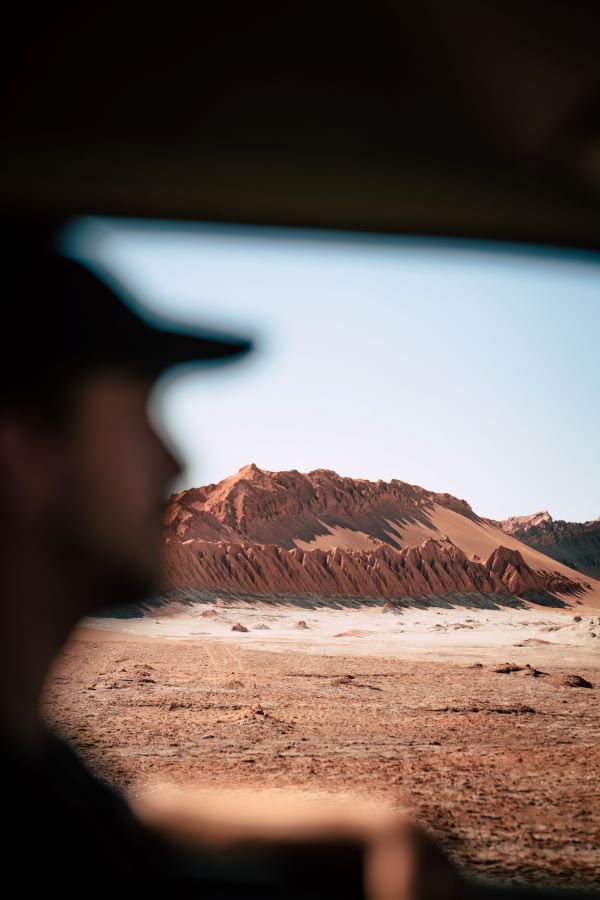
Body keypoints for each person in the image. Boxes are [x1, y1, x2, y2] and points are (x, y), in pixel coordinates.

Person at [0, 224, 594, 900]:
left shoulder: (36, 773)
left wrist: (358, 833)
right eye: (138, 414)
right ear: (22, 452)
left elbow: (111, 826)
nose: (174, 459)